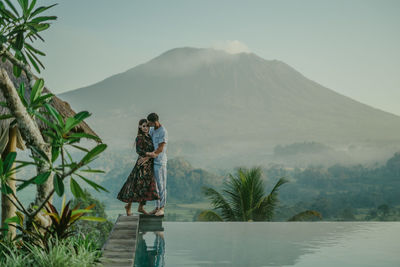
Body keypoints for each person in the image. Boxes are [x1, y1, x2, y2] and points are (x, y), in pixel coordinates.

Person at [117, 119, 159, 215]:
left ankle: (141, 208)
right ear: (140, 127)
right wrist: (150, 154)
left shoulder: (149, 136)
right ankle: (128, 206)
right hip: (141, 166)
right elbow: (139, 150)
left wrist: (149, 156)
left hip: (149, 166)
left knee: (146, 186)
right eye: (144, 126)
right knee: (135, 186)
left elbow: (153, 151)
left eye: (147, 126)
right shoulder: (139, 138)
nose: (145, 128)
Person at [146, 113, 168, 216]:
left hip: (160, 162)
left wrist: (151, 155)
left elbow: (160, 148)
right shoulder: (152, 130)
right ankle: (157, 207)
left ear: (154, 121)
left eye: (149, 123)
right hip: (153, 162)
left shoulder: (163, 131)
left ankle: (162, 208)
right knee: (156, 187)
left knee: (161, 185)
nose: (148, 124)